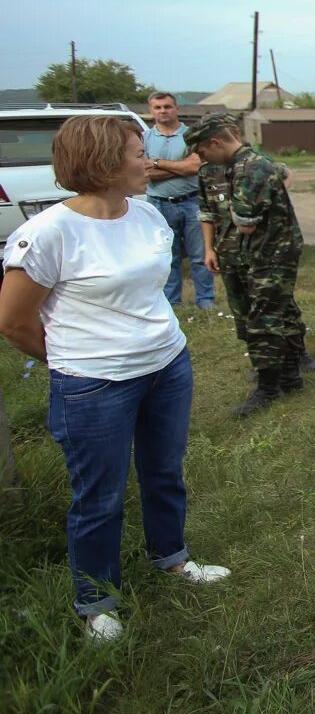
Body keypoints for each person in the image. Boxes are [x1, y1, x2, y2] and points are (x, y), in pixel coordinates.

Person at [0, 116, 229, 642]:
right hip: (95, 385)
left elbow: (153, 291)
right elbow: (12, 323)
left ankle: (171, 558)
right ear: (102, 162)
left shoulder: (146, 215)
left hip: (167, 366)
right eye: (136, 153)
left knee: (164, 471)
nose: (148, 163)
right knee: (98, 497)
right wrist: (74, 359)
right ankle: (96, 600)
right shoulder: (47, 233)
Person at [188, 113, 309, 418]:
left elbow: (245, 224)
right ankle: (289, 379)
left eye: (203, 152)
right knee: (262, 317)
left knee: (263, 321)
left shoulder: (252, 167)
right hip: (251, 255)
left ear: (216, 142)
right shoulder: (231, 168)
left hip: (271, 254)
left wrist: (235, 211)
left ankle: (269, 388)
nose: (202, 159)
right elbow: (216, 212)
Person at [143, 92, 215, 309]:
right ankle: (172, 301)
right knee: (167, 256)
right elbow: (144, 172)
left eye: (167, 106)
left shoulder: (191, 135)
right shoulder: (144, 138)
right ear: (151, 111)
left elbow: (196, 167)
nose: (163, 111)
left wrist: (157, 163)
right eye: (158, 107)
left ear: (176, 108)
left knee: (199, 254)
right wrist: (180, 167)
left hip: (192, 202)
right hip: (158, 203)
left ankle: (205, 299)